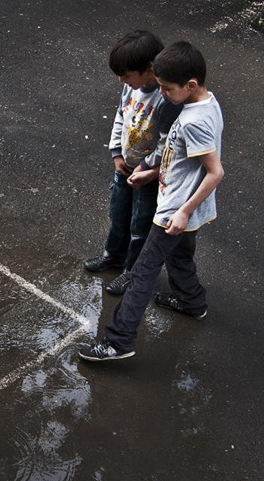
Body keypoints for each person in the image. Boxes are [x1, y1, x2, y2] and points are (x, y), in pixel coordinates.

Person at [81, 41, 225, 361]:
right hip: (185, 208)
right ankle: (192, 303)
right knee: (180, 258)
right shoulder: (205, 104)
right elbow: (185, 157)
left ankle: (119, 341)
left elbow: (215, 172)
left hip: (176, 209)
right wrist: (151, 173)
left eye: (166, 88)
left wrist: (183, 211)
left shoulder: (192, 120)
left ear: (190, 85)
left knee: (143, 274)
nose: (161, 94)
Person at [84, 30, 182, 296]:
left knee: (140, 225)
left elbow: (167, 143)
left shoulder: (166, 99)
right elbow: (120, 116)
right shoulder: (131, 87)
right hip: (126, 165)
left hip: (148, 175)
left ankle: (132, 272)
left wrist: (146, 166)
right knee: (118, 215)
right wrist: (116, 153)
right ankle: (113, 255)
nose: (122, 80)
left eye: (127, 74)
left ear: (149, 69)